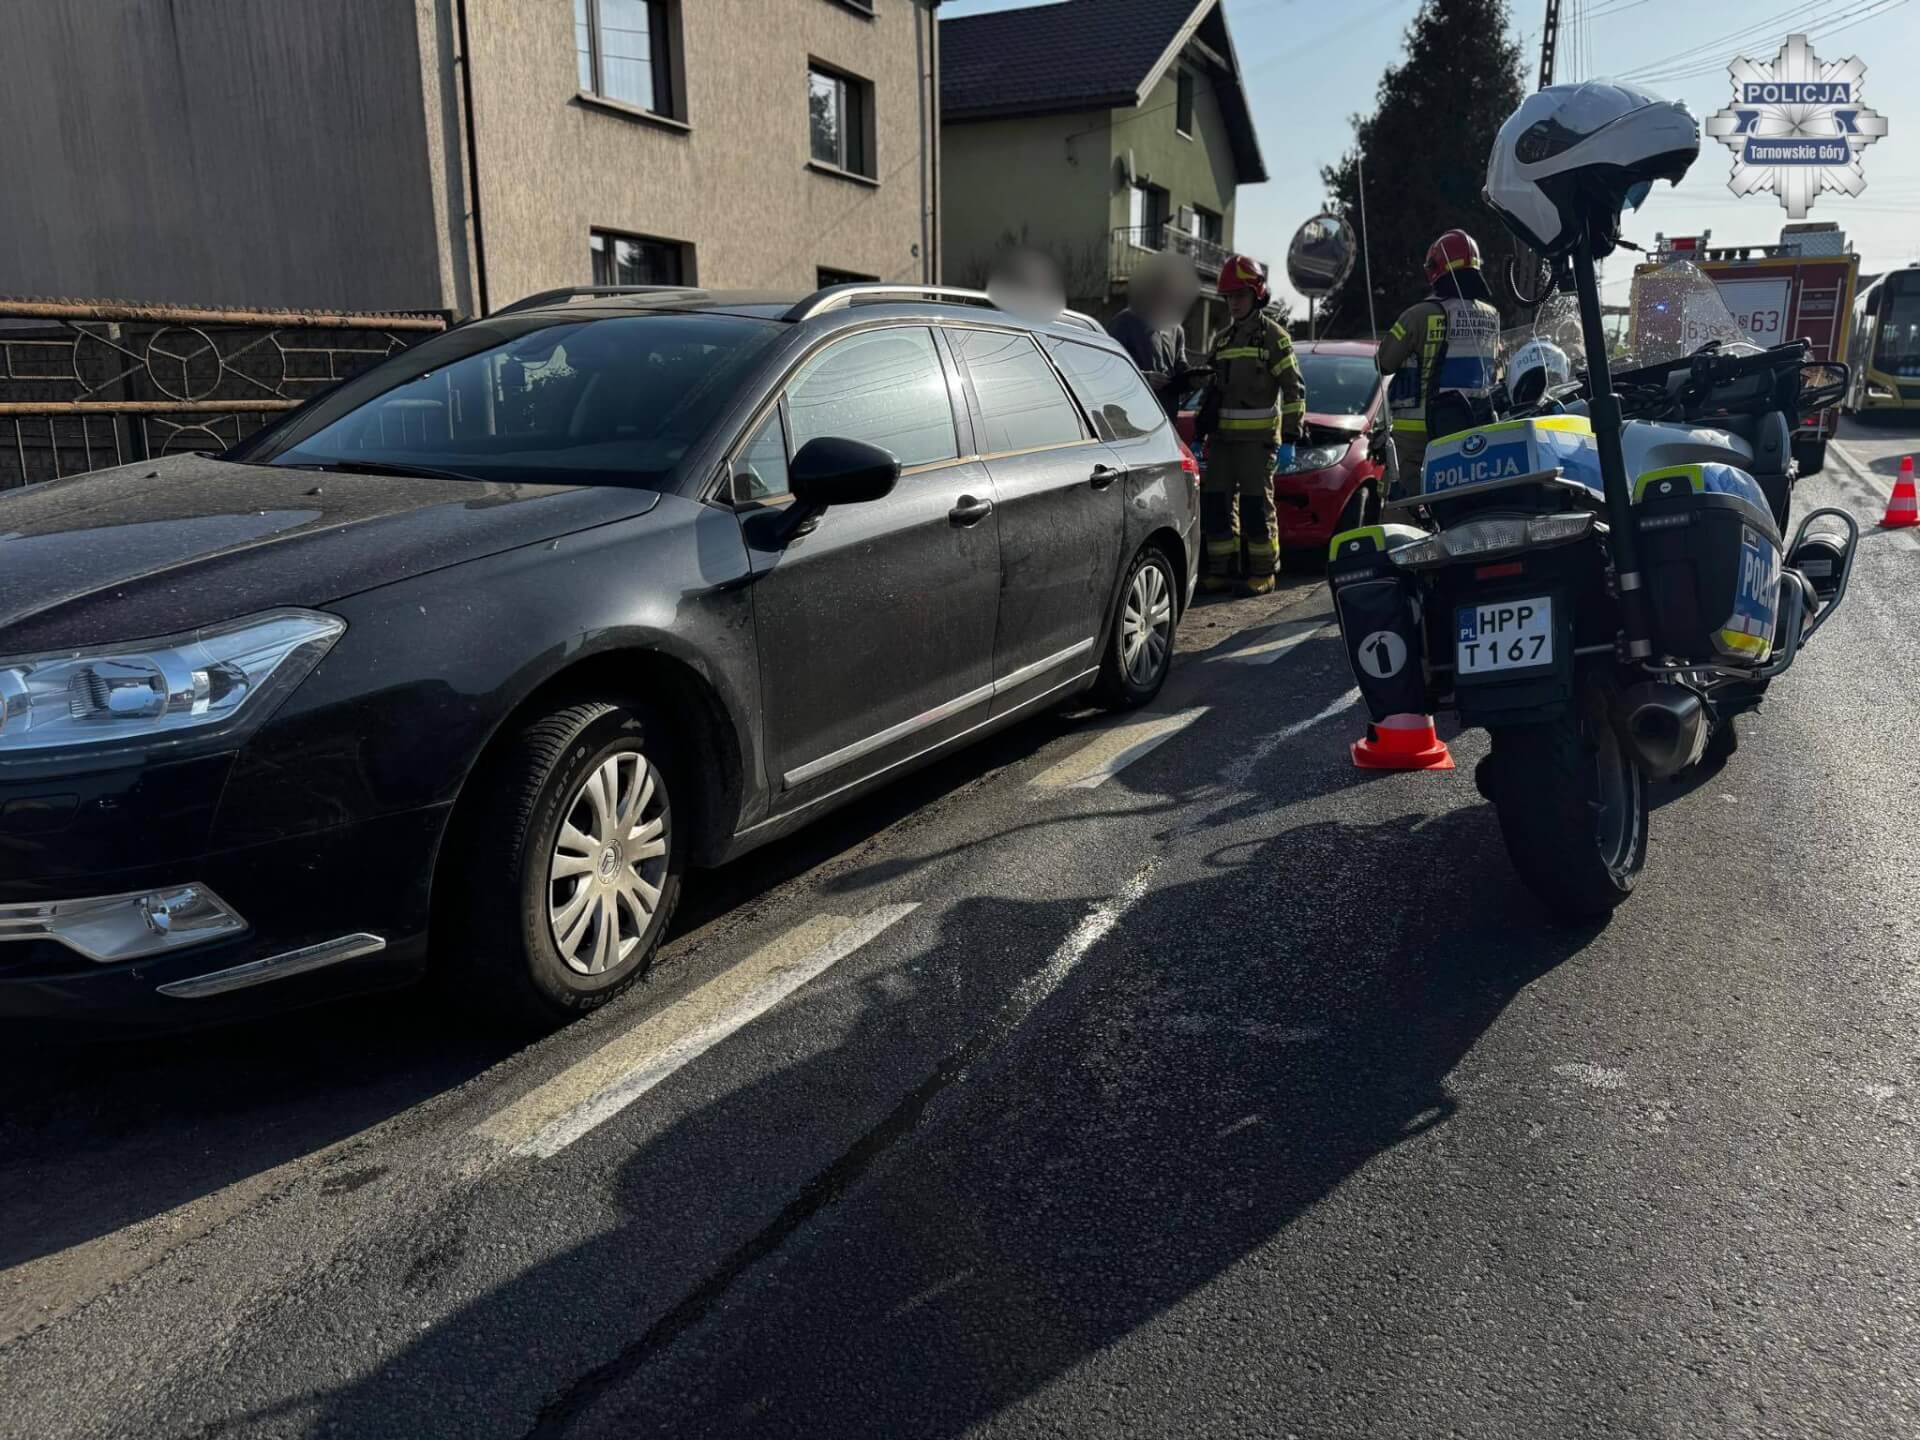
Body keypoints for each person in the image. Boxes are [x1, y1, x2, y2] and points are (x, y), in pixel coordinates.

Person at [1193, 253, 1305, 596]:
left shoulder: (1274, 337)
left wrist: (1289, 437)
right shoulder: (1223, 340)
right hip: (1223, 442)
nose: (1233, 304)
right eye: (1228, 297)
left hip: (1258, 444)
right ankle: (1221, 571)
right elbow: (1211, 392)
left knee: (1257, 507)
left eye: (1239, 296)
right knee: (1216, 505)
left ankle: (1263, 571)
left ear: (1257, 295)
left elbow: (1294, 389)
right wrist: (1200, 432)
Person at [1375, 230, 1502, 489]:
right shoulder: (1492, 316)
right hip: (1471, 429)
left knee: (1405, 505)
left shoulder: (1419, 315)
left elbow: (1384, 363)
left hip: (1417, 435)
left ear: (1435, 268)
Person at [1105, 252, 1200, 415]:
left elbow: (1180, 369)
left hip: (1167, 421)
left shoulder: (1176, 329)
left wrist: (1194, 379)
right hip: (1132, 419)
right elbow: (1107, 368)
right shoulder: (1125, 321)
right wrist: (1145, 378)